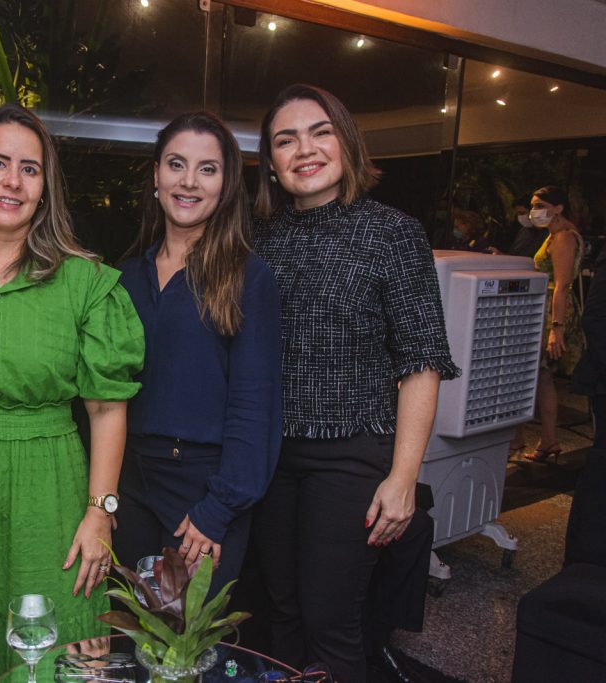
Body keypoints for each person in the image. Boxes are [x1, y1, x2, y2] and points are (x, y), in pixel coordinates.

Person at [0, 104, 144, 682]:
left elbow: (107, 409)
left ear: (45, 188)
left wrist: (100, 513)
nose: (12, 181)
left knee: (55, 644)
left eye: (29, 169)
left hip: (51, 495)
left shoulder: (85, 281)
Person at [250, 83, 459, 683]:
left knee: (330, 620)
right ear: (270, 161)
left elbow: (422, 361)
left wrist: (403, 478)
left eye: (319, 132)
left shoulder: (393, 233)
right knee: (279, 615)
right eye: (285, 140)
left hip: (352, 457)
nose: (304, 149)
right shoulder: (258, 239)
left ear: (346, 141)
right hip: (271, 459)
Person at [113, 111, 282, 595]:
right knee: (129, 639)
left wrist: (218, 509)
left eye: (207, 169)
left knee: (186, 652)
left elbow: (256, 407)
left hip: (203, 493)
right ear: (156, 175)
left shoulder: (249, 279)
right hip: (128, 487)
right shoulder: (123, 278)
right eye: (176, 164)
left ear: (226, 184)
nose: (189, 181)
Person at [521, 185, 584, 462]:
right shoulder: (557, 235)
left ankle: (535, 439)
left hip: (551, 312)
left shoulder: (563, 238)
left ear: (557, 208)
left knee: (536, 375)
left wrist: (555, 329)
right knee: (542, 378)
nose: (535, 211)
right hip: (548, 310)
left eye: (540, 205)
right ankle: (547, 440)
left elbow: (561, 285)